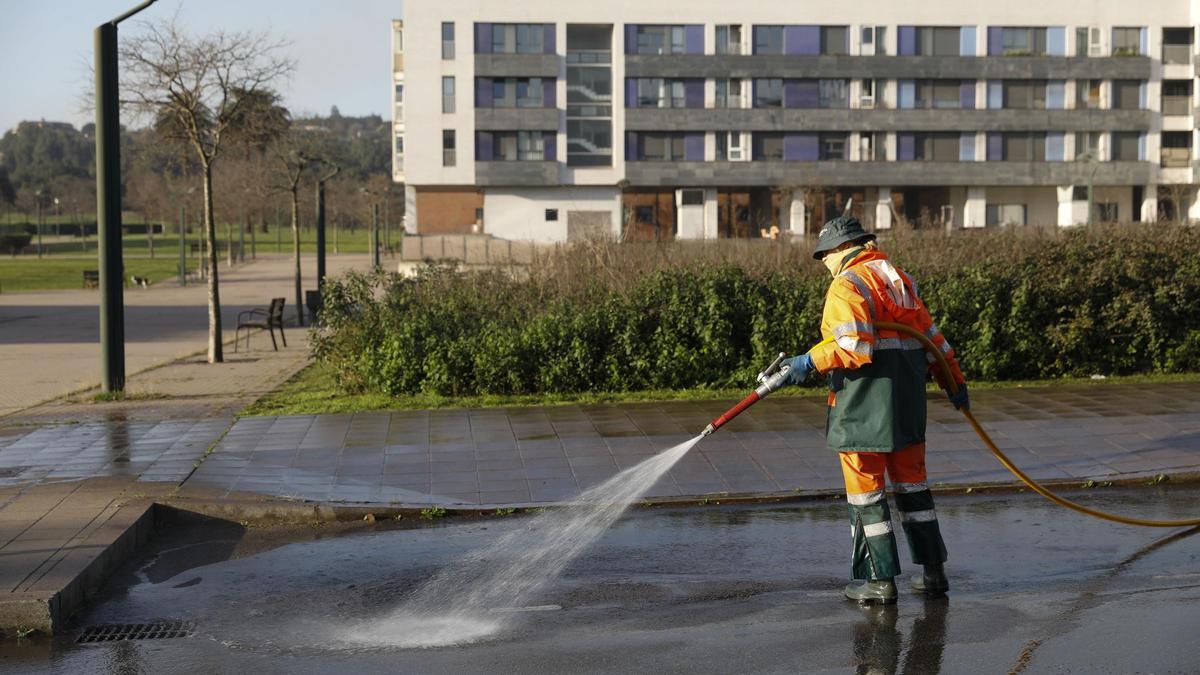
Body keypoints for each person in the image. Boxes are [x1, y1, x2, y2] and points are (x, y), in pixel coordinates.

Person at [782, 215, 969, 605]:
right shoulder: (898, 280)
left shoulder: (847, 284)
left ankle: (879, 582)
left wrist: (807, 362)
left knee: (867, 495)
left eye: (825, 257)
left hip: (863, 407)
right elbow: (933, 340)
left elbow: (854, 347)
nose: (825, 265)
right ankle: (934, 574)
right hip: (906, 408)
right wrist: (955, 382)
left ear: (839, 250)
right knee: (913, 489)